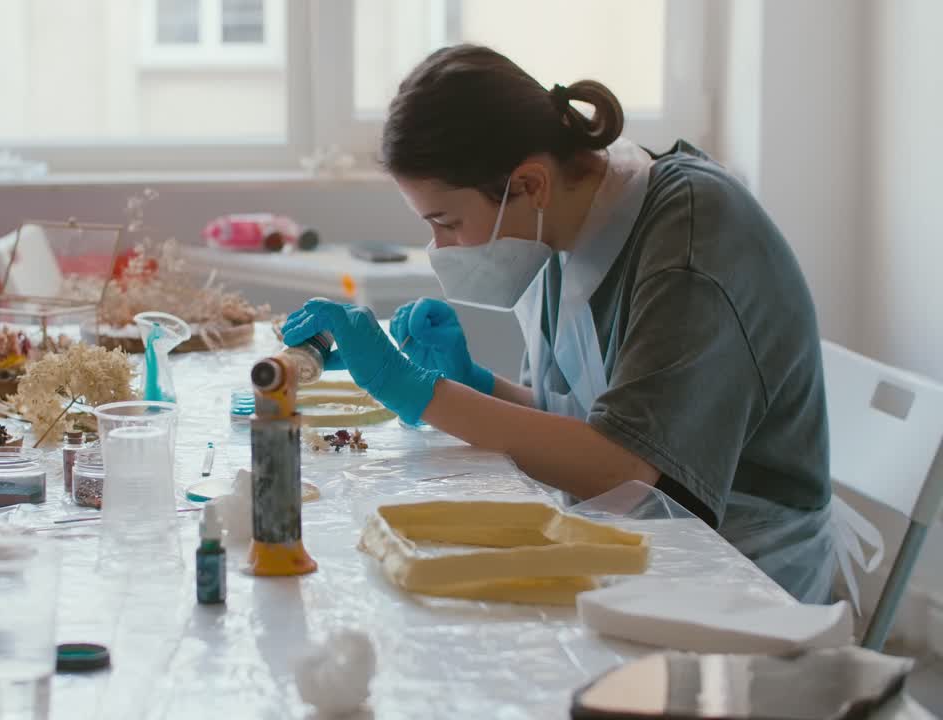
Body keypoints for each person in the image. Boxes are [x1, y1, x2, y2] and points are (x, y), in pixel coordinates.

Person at [282, 45, 835, 603]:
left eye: (447, 222)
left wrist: (415, 389)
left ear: (530, 185)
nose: (440, 248)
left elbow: (627, 468)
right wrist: (478, 385)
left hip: (743, 574)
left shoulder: (690, 243)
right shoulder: (569, 228)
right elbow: (591, 423)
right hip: (640, 534)